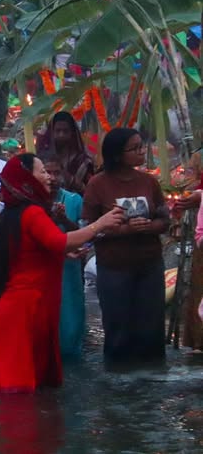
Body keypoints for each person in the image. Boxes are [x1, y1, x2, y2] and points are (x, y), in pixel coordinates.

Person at [0, 154, 123, 391]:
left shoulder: (12, 212)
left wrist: (60, 255)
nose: (48, 177)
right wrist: (99, 224)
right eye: (42, 172)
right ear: (28, 178)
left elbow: (30, 251)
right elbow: (58, 241)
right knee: (20, 396)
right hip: (27, 310)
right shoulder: (31, 212)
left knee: (23, 393)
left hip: (22, 307)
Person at [82, 128, 169, 366]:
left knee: (151, 327)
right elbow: (89, 227)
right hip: (114, 267)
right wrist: (126, 230)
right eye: (136, 148)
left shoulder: (149, 182)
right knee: (117, 327)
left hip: (149, 264)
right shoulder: (98, 184)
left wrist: (149, 226)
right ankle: (117, 383)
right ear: (118, 154)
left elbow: (165, 219)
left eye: (142, 145)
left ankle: (152, 382)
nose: (142, 151)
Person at [43, 158, 85, 360]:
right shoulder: (31, 201)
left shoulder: (74, 200)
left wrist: (63, 220)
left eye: (56, 172)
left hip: (68, 268)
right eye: (47, 172)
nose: (51, 178)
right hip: (42, 267)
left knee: (70, 315)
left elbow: (82, 232)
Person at [36, 111, 94, 195]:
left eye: (65, 131)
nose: (61, 135)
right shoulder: (41, 159)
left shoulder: (83, 161)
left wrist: (70, 180)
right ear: (52, 132)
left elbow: (91, 191)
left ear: (72, 133)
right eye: (58, 131)